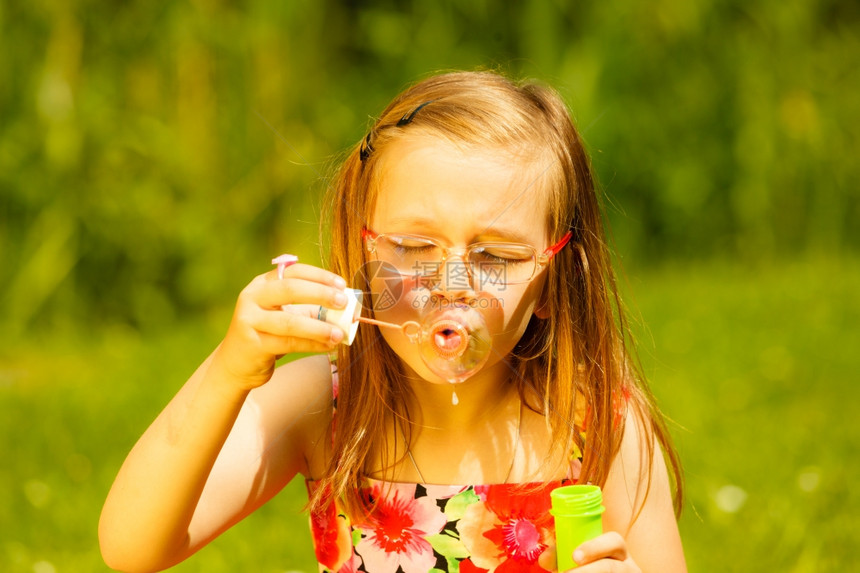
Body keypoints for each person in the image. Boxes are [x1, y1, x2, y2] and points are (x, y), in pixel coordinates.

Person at [99, 70, 686, 573]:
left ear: (553, 282)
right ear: (364, 254)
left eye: (495, 257)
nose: (449, 284)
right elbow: (132, 549)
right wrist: (230, 369)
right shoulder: (323, 406)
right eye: (412, 245)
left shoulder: (597, 427)